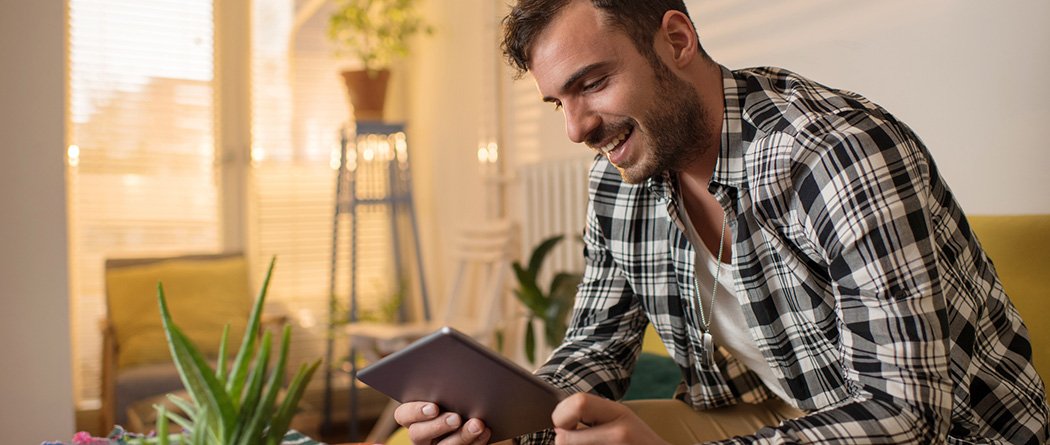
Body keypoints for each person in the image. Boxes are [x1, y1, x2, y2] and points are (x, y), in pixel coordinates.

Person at [394, 0, 1050, 443]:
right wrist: (498, 419)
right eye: (557, 101)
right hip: (770, 411)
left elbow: (910, 414)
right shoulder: (617, 182)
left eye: (592, 83)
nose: (576, 128)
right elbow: (596, 347)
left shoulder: (835, 153)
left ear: (676, 41)